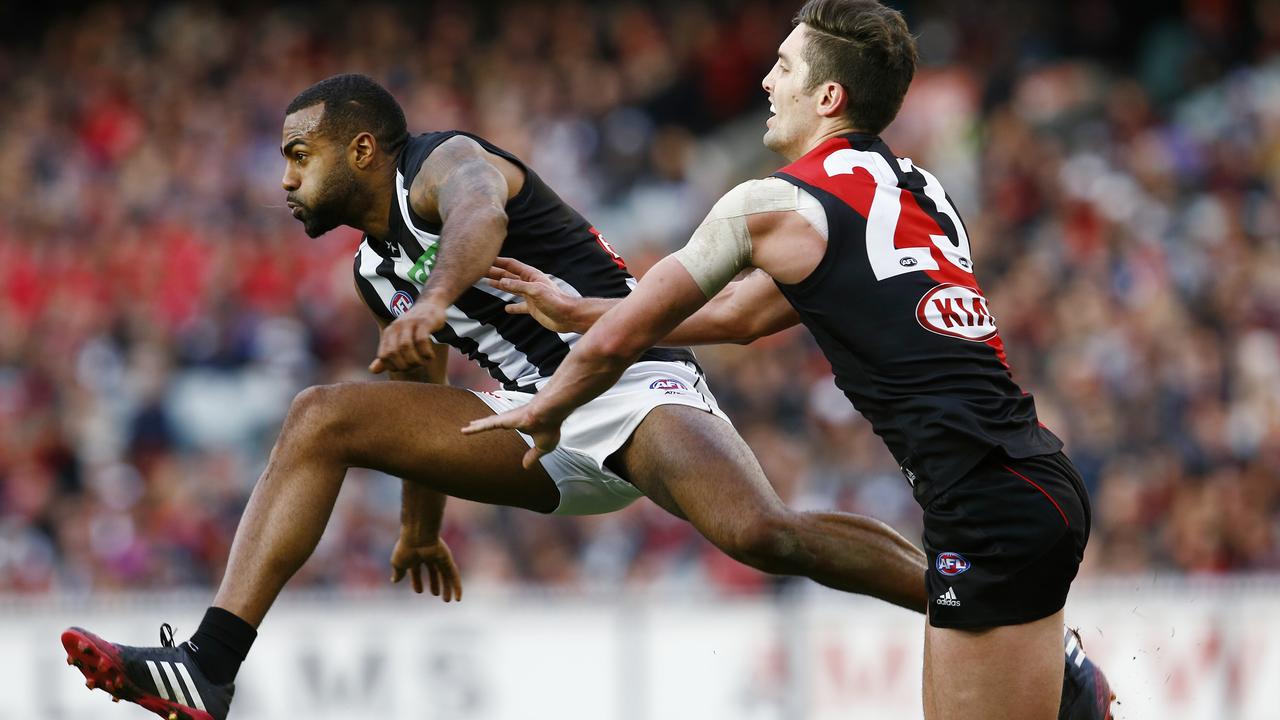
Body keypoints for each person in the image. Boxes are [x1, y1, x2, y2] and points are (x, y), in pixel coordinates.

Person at [60, 72, 936, 720]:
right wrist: (419, 528)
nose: (285, 180)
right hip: (531, 422)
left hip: (628, 381)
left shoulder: (443, 165)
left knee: (763, 535)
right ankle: (210, 666)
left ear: (361, 148)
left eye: (300, 156)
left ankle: (982, 605)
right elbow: (422, 387)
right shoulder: (373, 268)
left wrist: (438, 299)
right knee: (320, 417)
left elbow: (482, 218)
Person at [463, 2, 1115, 719]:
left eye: (784, 68)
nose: (767, 83)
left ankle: (1073, 689)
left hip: (987, 503)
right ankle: (1071, 688)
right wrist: (582, 310)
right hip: (1023, 483)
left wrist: (546, 406)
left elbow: (624, 341)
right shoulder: (921, 189)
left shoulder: (770, 205)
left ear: (829, 97)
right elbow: (742, 317)